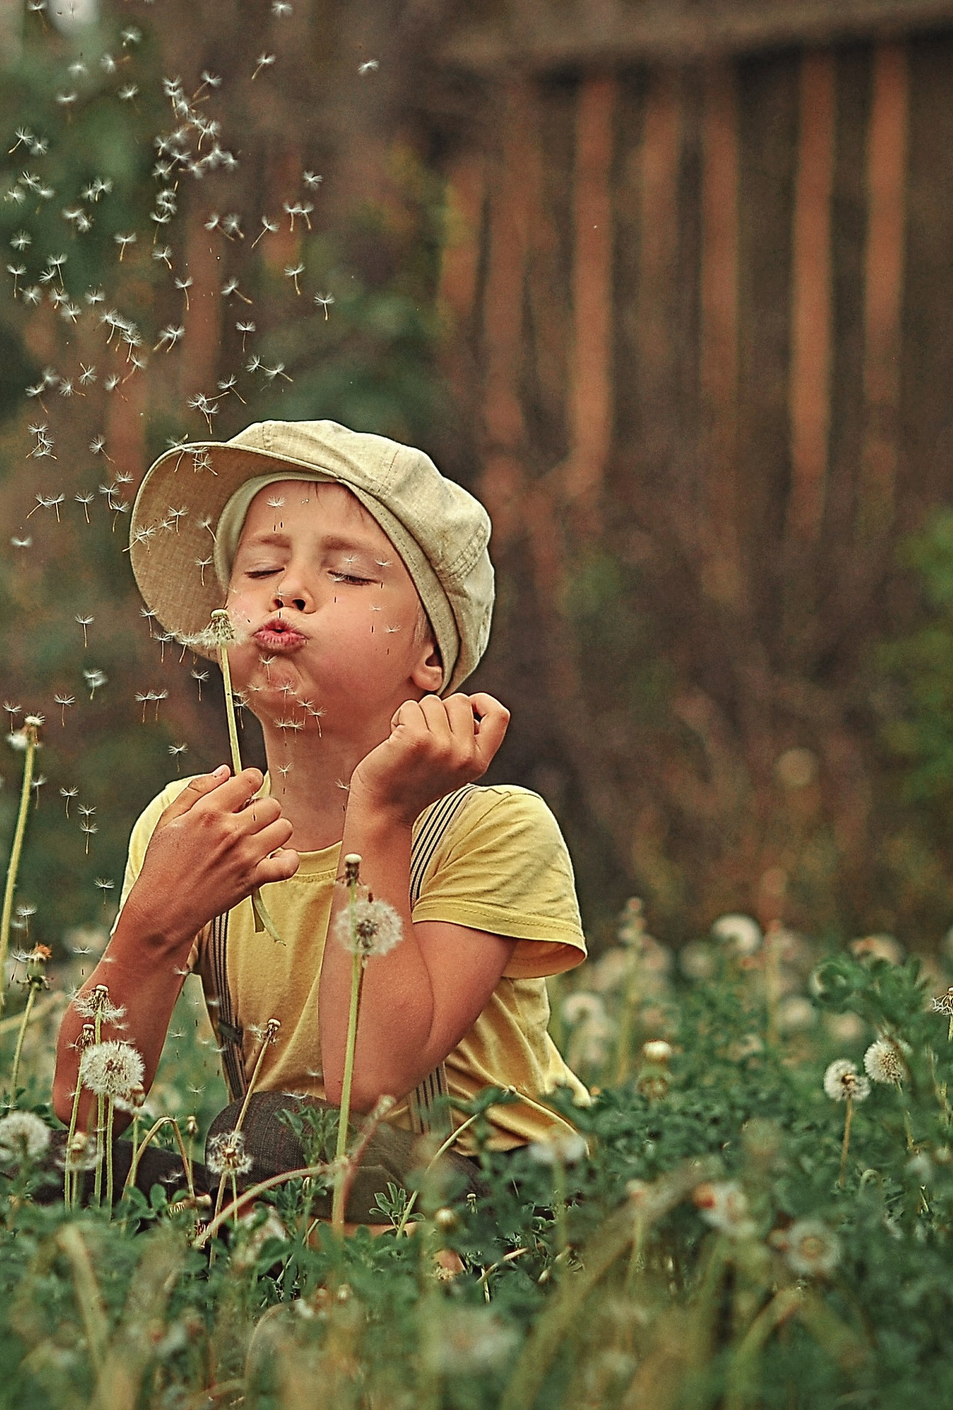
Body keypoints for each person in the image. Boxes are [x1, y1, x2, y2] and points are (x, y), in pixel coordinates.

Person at [47, 419, 589, 1220]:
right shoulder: (195, 824)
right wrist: (155, 926)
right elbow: (86, 1107)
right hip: (296, 1190)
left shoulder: (493, 827)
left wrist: (378, 818)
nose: (288, 590)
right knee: (45, 1160)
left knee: (276, 1134)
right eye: (261, 566)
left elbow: (364, 1086)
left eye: (350, 575)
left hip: (498, 1202)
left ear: (429, 658)